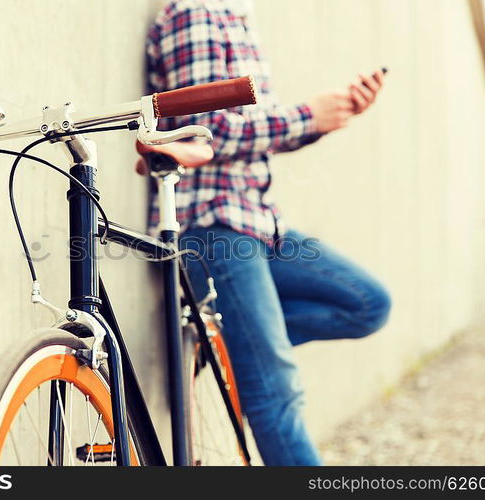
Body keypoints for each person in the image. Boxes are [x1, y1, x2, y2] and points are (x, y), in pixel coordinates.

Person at [143, 0, 391, 465]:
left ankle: (238, 347)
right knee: (277, 398)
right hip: (213, 229)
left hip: (258, 224)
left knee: (367, 304)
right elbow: (204, 132)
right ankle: (250, 351)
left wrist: (331, 115)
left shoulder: (235, 16)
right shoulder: (195, 14)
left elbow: (255, 136)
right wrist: (304, 115)